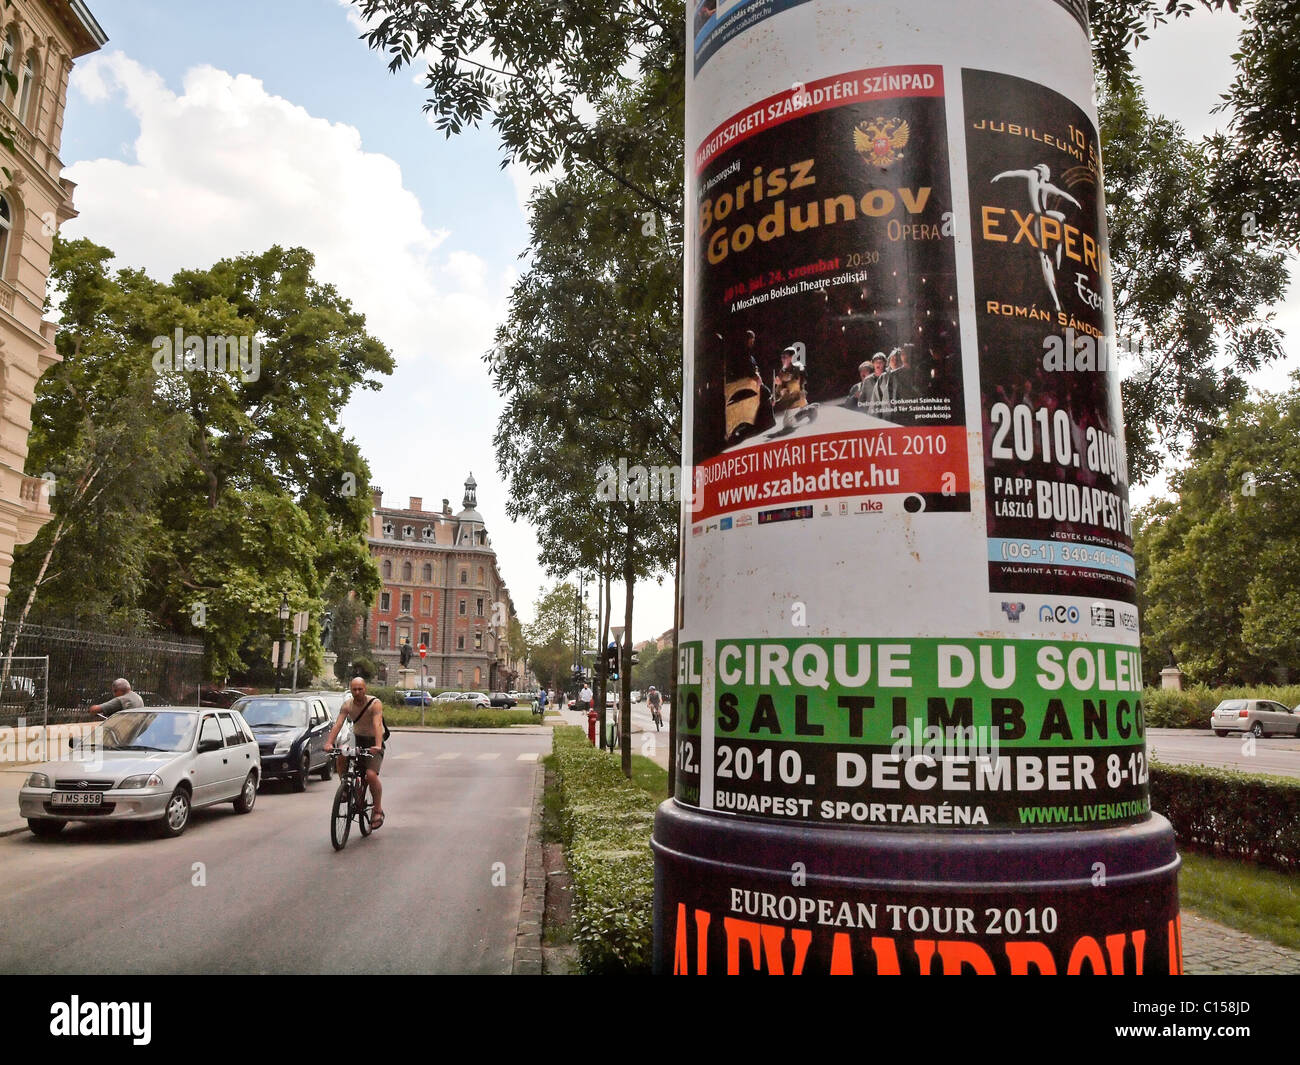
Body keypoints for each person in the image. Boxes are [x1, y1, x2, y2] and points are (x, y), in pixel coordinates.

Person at [325, 676, 387, 829]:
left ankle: (378, 810)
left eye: (360, 689)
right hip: (357, 739)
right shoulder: (348, 705)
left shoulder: (375, 703)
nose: (357, 692)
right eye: (354, 689)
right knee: (341, 754)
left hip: (374, 742)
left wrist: (378, 744)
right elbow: (338, 723)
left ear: (365, 689)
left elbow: (377, 724)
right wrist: (329, 742)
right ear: (351, 690)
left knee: (371, 775)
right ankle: (345, 787)